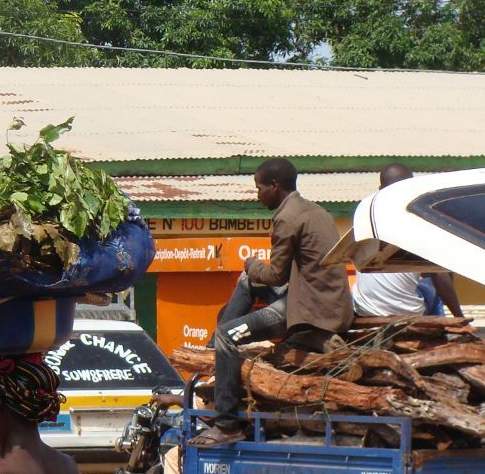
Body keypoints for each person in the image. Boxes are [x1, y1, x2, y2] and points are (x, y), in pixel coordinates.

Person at [190, 158, 353, 447]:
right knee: (246, 283)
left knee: (227, 337)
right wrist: (251, 273)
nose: (257, 194)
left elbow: (276, 276)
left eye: (259, 187)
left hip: (309, 311)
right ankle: (215, 357)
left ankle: (227, 424)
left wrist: (250, 264)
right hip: (328, 304)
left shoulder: (286, 218)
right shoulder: (315, 211)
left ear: (274, 186)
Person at [353, 163, 464, 318]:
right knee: (438, 273)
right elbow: (439, 276)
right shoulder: (414, 219)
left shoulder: (364, 214)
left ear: (380, 189)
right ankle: (445, 331)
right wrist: (460, 317)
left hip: (365, 308)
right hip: (406, 310)